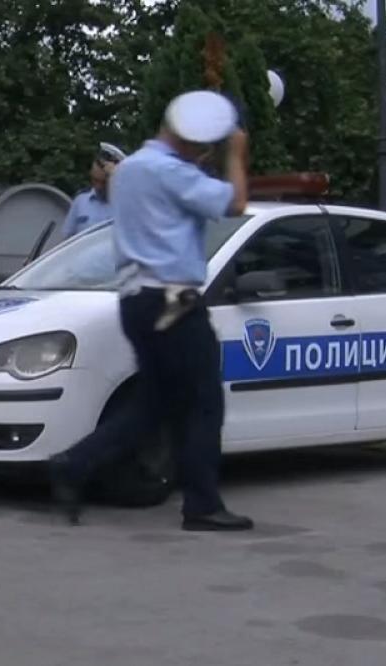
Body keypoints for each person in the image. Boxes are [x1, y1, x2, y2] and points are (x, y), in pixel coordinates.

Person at [50, 91, 253, 532]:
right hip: (173, 301)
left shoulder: (133, 169)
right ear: (198, 141)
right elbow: (235, 203)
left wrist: (201, 156)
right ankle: (202, 505)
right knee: (203, 404)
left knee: (154, 404)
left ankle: (74, 462)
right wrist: (237, 152)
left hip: (135, 300)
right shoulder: (172, 172)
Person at [61, 142, 127, 240]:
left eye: (103, 182)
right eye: (95, 180)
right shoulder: (81, 202)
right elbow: (66, 241)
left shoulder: (127, 206)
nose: (98, 187)